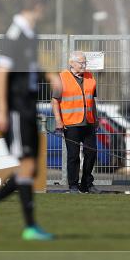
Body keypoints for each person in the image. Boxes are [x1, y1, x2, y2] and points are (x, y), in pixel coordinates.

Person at [0, 0, 61, 240]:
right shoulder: (14, 35)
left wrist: (48, 76)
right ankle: (29, 226)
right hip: (16, 109)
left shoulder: (31, 34)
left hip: (29, 107)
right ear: (36, 8)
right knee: (26, 166)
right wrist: (2, 110)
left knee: (29, 168)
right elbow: (1, 73)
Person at [51, 51, 99, 193]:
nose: (84, 65)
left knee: (91, 153)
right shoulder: (61, 77)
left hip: (88, 122)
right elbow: (55, 101)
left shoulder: (90, 77)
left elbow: (92, 101)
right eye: (81, 62)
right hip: (71, 123)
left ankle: (87, 184)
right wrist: (58, 121)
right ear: (72, 63)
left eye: (85, 62)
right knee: (73, 155)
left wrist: (95, 118)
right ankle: (73, 185)